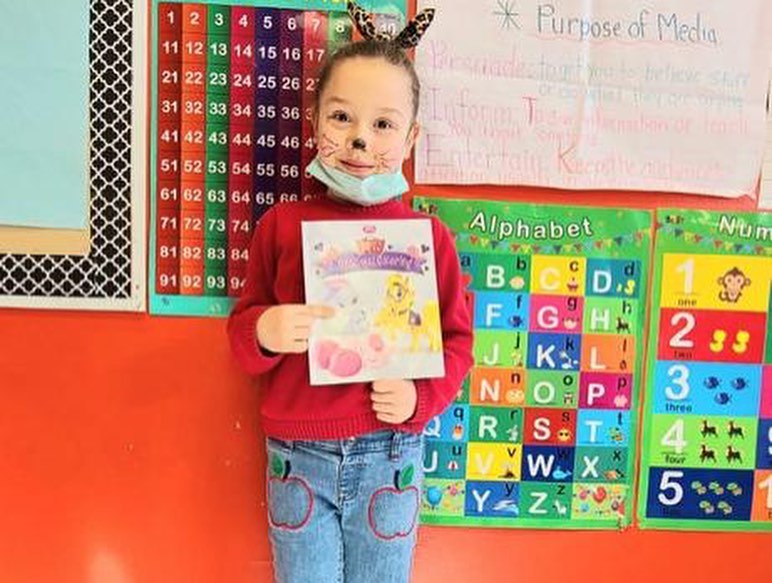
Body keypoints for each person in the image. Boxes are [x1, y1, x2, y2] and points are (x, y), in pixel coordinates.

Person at [227, 3, 473, 581]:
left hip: (390, 457)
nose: (360, 140)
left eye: (383, 125)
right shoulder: (282, 226)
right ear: (314, 120)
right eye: (342, 117)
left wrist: (420, 399)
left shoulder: (428, 237)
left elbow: (458, 342)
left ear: (411, 136)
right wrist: (265, 329)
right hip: (299, 459)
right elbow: (240, 336)